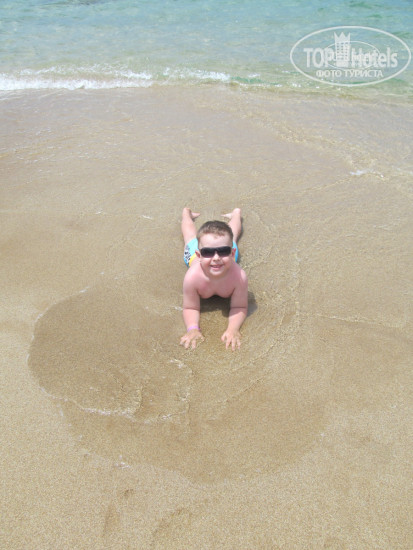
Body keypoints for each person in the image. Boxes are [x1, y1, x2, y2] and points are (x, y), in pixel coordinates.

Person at [180, 207, 248, 350]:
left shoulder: (239, 277)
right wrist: (193, 329)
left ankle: (236, 214)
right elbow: (190, 307)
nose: (216, 258)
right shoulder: (192, 277)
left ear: (232, 253)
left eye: (223, 251)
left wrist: (233, 329)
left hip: (227, 255)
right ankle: (186, 213)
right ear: (200, 255)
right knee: (189, 236)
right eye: (208, 252)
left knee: (232, 235)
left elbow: (239, 306)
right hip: (193, 252)